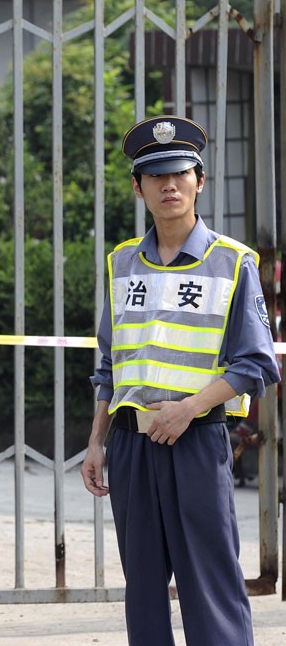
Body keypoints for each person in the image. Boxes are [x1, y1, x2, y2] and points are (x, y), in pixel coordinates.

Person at [80, 114, 280, 645]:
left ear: (199, 180)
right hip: (129, 444)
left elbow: (257, 364)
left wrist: (186, 408)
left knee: (208, 581)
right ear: (138, 186)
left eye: (180, 173)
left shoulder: (233, 263)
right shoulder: (122, 263)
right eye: (156, 176)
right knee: (142, 586)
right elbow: (110, 364)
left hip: (196, 440)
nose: (169, 185)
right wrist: (96, 441)